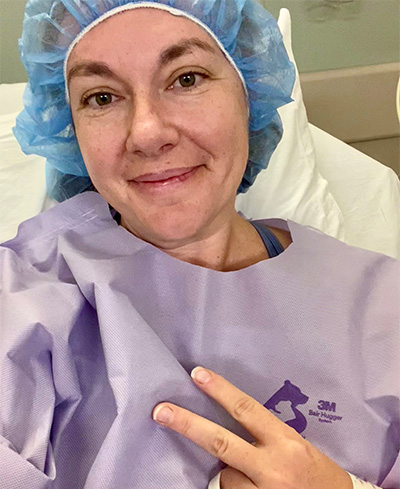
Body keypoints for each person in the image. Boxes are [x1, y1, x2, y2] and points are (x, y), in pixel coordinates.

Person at [1, 0, 398, 488]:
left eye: (186, 79)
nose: (146, 133)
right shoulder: (22, 295)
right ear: (71, 128)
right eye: (101, 97)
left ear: (248, 94)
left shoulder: (385, 307)